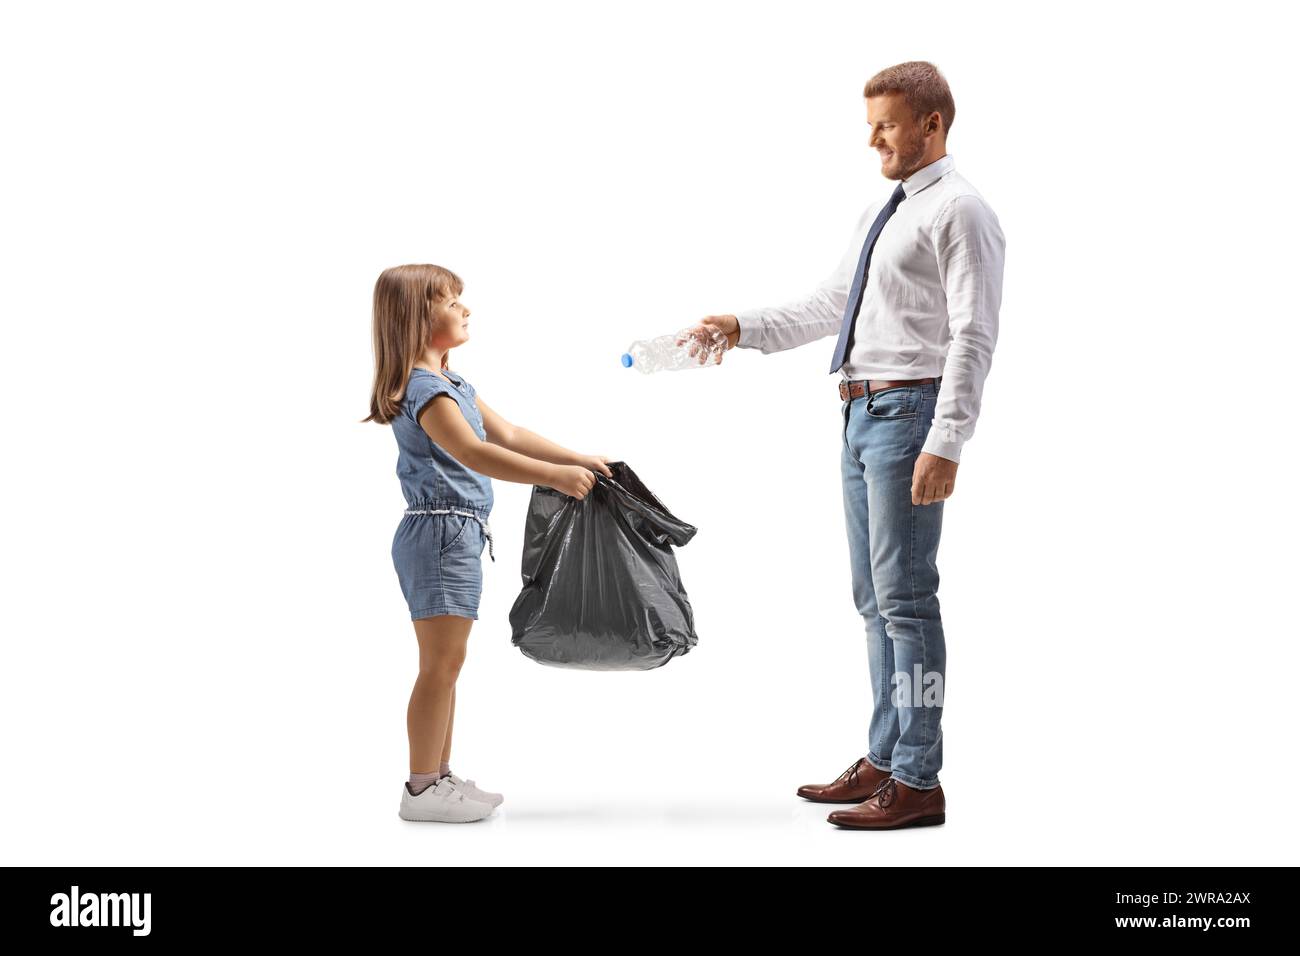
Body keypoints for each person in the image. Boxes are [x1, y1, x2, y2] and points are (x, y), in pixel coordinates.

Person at [684, 61, 1005, 830]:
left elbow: (974, 333)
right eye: (871, 124)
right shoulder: (882, 211)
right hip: (860, 416)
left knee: (907, 602)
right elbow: (835, 304)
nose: (872, 140)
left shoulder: (961, 211)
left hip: (908, 417)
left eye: (886, 124)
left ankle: (920, 778)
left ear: (932, 124)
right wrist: (743, 327)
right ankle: (887, 756)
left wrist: (948, 439)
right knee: (874, 602)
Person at [363, 263, 613, 823]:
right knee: (440, 666)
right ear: (418, 316)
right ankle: (423, 788)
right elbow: (473, 454)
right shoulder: (426, 389)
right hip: (441, 535)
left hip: (456, 533)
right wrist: (552, 478)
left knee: (448, 664)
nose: (465, 308)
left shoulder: (454, 385)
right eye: (452, 301)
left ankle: (438, 777)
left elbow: (511, 434)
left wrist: (575, 457)